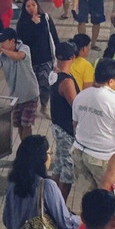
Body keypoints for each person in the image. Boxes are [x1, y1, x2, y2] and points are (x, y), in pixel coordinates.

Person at [71, 59, 115, 198]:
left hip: (79, 152)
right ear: (111, 81)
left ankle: (88, 218)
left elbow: (75, 124)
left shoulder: (82, 95)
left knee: (88, 197)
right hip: (102, 158)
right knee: (107, 198)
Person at [0, 29, 41, 140]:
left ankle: (27, 148)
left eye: (3, 42)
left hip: (30, 94)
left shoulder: (24, 48)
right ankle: (24, 147)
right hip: (15, 96)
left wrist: (2, 51)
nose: (0, 45)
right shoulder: (1, 57)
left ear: (12, 41)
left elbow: (19, 56)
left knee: (26, 125)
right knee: (19, 125)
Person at [15, 0, 59, 114]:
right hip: (30, 59)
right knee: (32, 86)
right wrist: (34, 25)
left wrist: (58, 55)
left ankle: (44, 106)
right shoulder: (22, 23)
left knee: (45, 84)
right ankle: (32, 107)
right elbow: (24, 39)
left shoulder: (45, 18)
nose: (31, 8)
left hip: (46, 58)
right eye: (28, 6)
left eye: (33, 5)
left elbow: (53, 36)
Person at [50, 41, 80, 200]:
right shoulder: (67, 81)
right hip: (66, 130)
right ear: (73, 57)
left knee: (58, 166)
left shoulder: (54, 74)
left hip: (57, 125)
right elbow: (75, 106)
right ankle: (59, 207)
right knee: (67, 171)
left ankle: (51, 203)